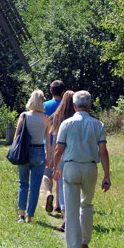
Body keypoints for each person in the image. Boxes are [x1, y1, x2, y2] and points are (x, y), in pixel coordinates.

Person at [53, 90, 111, 248]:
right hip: (90, 167)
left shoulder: (66, 124)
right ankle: (84, 240)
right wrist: (106, 175)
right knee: (86, 204)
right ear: (90, 106)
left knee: (71, 208)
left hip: (71, 166)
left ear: (74, 105)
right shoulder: (98, 125)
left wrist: (56, 167)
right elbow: (103, 151)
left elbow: (59, 150)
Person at [13, 89, 51, 223]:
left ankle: (21, 215)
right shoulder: (46, 118)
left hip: (24, 152)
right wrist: (48, 157)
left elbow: (17, 136)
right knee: (35, 186)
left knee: (23, 183)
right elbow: (47, 139)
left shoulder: (24, 116)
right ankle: (30, 216)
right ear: (42, 102)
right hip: (39, 151)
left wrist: (14, 150)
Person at [50, 89, 75, 231]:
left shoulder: (58, 115)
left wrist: (54, 159)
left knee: (62, 185)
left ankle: (64, 214)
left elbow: (55, 138)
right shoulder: (76, 116)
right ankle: (72, 216)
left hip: (62, 154)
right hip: (75, 155)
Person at [42, 79, 65, 212]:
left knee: (47, 173)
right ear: (62, 92)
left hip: (47, 143)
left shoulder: (44, 105)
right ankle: (57, 204)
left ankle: (48, 193)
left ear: (50, 91)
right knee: (59, 174)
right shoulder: (65, 106)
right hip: (61, 143)